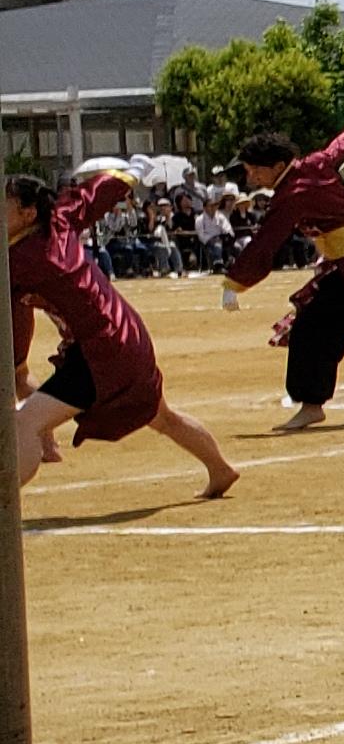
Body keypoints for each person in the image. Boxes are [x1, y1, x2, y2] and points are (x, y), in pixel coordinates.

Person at [10, 166, 237, 499]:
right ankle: (221, 469)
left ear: (28, 213)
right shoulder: (57, 221)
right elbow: (94, 195)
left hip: (102, 351)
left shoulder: (23, 259)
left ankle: (4, 504)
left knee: (25, 424)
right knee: (162, 417)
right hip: (123, 335)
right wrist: (125, 175)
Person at [224, 106, 344, 431]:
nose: (251, 179)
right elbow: (338, 147)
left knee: (313, 326)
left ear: (277, 166)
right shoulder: (311, 166)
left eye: (254, 171)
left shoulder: (293, 193)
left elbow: (266, 241)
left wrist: (234, 282)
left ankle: (311, 403)